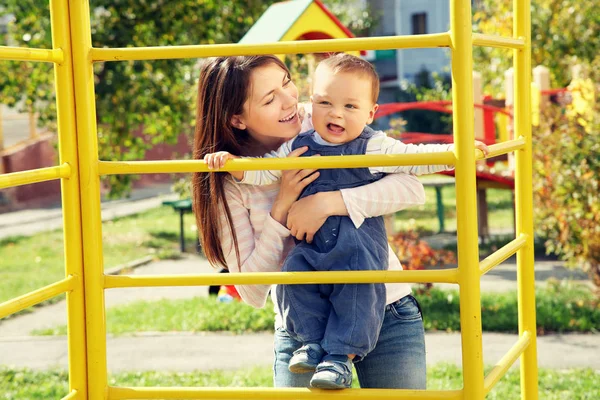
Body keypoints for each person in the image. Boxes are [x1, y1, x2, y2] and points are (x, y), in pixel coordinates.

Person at [203, 54, 489, 389]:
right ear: (237, 119)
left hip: (384, 307)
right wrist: (282, 208)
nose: (291, 101)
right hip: (304, 325)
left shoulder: (325, 117)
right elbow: (251, 291)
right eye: (270, 98)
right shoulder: (238, 177)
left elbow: (411, 188)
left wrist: (327, 203)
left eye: (287, 83)